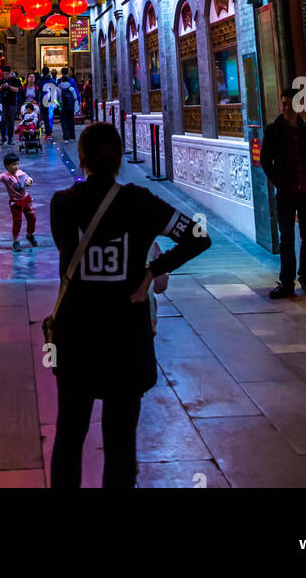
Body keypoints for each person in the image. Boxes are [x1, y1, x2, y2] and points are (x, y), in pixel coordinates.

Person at [49, 122, 211, 489]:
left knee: (69, 435)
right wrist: (154, 269)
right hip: (125, 338)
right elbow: (198, 236)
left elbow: (67, 254)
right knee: (121, 442)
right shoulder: (140, 201)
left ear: (82, 157)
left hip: (76, 338)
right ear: (120, 158)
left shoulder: (63, 204)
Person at [260, 86, 306, 298]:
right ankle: (286, 282)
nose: (285, 108)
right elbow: (265, 161)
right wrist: (279, 183)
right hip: (286, 192)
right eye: (283, 103)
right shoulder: (273, 130)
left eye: (289, 104)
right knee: (286, 238)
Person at [0, 153, 37, 251]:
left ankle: (30, 234)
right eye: (13, 164)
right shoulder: (5, 176)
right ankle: (15, 241)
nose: (16, 166)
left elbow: (28, 178)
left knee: (32, 218)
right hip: (15, 203)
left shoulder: (20, 173)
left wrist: (29, 181)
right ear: (7, 166)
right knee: (17, 221)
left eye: (17, 164)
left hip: (26, 199)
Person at [0, 67, 22, 146]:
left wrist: (9, 86)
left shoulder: (15, 80)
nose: (5, 76)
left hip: (11, 103)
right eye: (4, 74)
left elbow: (17, 90)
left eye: (6, 74)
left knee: (11, 121)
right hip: (3, 103)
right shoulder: (1, 81)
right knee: (2, 120)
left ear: (10, 73)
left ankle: (10, 138)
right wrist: (2, 87)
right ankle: (3, 138)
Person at [58, 73, 79, 143]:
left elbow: (55, 99)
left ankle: (66, 137)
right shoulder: (71, 88)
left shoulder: (58, 88)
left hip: (61, 107)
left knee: (63, 122)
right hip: (70, 107)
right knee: (71, 121)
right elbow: (75, 97)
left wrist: (59, 104)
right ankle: (72, 136)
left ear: (61, 80)